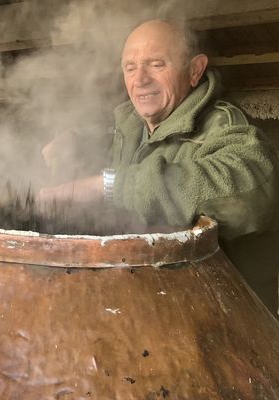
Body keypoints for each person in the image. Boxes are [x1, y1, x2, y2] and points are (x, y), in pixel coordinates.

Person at [39, 19, 279, 315]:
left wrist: (109, 185)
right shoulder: (131, 126)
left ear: (194, 71)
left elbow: (254, 191)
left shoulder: (225, 127)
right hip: (152, 304)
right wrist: (75, 145)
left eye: (156, 64)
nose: (140, 79)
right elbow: (125, 152)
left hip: (226, 321)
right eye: (130, 68)